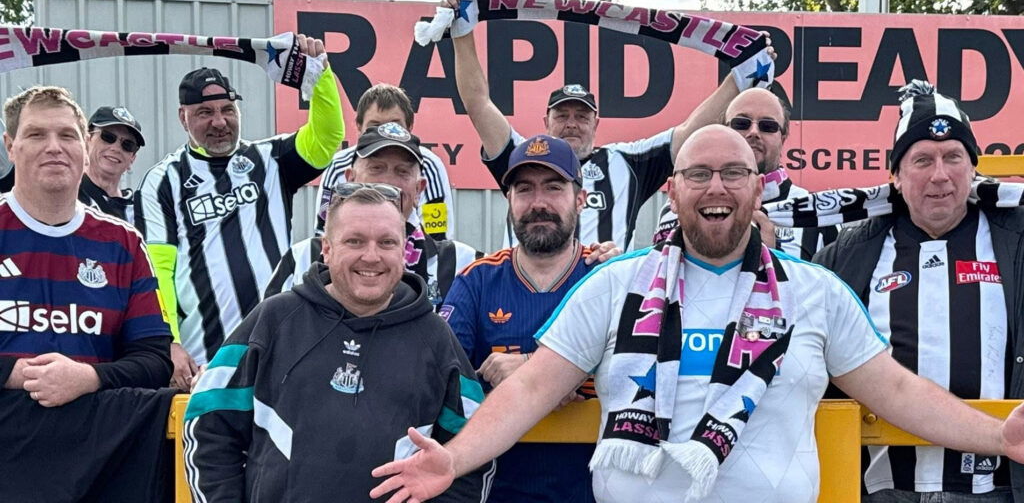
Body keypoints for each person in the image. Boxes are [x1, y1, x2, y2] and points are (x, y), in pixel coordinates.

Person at [371, 125, 1024, 503]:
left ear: (758, 187)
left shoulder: (816, 291)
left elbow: (900, 392)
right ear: (673, 189)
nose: (718, 187)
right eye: (700, 174)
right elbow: (532, 391)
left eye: (734, 174)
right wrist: (454, 460)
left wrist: (998, 437)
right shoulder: (612, 286)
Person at [183, 186, 492, 503]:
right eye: (354, 241)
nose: (371, 256)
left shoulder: (436, 339)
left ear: (403, 252)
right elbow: (209, 426)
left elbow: (474, 452)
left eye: (386, 242)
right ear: (327, 249)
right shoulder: (273, 321)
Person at [814, 81, 1024, 501]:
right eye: (922, 160)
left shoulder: (1016, 238)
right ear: (895, 174)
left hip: (995, 487)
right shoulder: (849, 254)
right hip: (884, 485)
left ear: (973, 168)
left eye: (953, 157)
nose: (940, 175)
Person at [442, 0, 751, 250]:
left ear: (596, 122)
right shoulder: (523, 157)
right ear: (546, 122)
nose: (572, 123)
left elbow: (690, 134)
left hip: (604, 308)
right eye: (562, 115)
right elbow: (478, 104)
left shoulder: (628, 163)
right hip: (525, 299)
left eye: (581, 116)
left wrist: (743, 75)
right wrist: (462, 31)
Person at [0, 86, 174, 502]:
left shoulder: (123, 244)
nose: (54, 147)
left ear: (84, 147)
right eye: (37, 135)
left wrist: (88, 378)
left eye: (67, 135)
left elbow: (154, 358)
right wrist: (16, 374)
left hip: (96, 465)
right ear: (11, 146)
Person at [135, 35, 345, 378]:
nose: (219, 122)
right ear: (183, 118)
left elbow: (326, 137)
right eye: (205, 113)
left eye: (227, 110)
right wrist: (168, 342)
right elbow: (158, 271)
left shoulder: (272, 159)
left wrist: (319, 74)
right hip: (204, 357)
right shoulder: (163, 180)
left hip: (281, 348)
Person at [443, 135, 607, 503]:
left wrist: (537, 372)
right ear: (509, 201)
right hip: (496, 489)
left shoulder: (609, 277)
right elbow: (444, 381)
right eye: (524, 189)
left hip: (593, 491)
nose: (539, 203)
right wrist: (490, 385)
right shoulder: (477, 281)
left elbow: (638, 375)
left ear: (580, 200)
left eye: (553, 187)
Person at [264, 122, 479, 307]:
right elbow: (266, 339)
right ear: (350, 179)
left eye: (402, 171)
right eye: (376, 168)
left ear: (419, 190)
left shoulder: (463, 264)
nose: (388, 182)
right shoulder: (304, 257)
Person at [653, 87, 838, 260]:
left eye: (768, 126)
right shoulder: (677, 207)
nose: (754, 132)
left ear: (782, 139)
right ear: (724, 130)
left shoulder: (817, 213)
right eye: (741, 123)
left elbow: (830, 289)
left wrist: (773, 259)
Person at [314, 83, 455, 240]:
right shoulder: (338, 165)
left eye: (394, 126)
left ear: (410, 127)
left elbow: (437, 237)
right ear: (359, 128)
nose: (385, 133)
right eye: (375, 126)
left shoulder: (429, 165)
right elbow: (324, 234)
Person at [80, 105, 145, 223]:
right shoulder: (67, 198)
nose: (116, 148)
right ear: (86, 141)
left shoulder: (141, 212)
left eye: (127, 144)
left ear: (132, 159)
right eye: (108, 137)